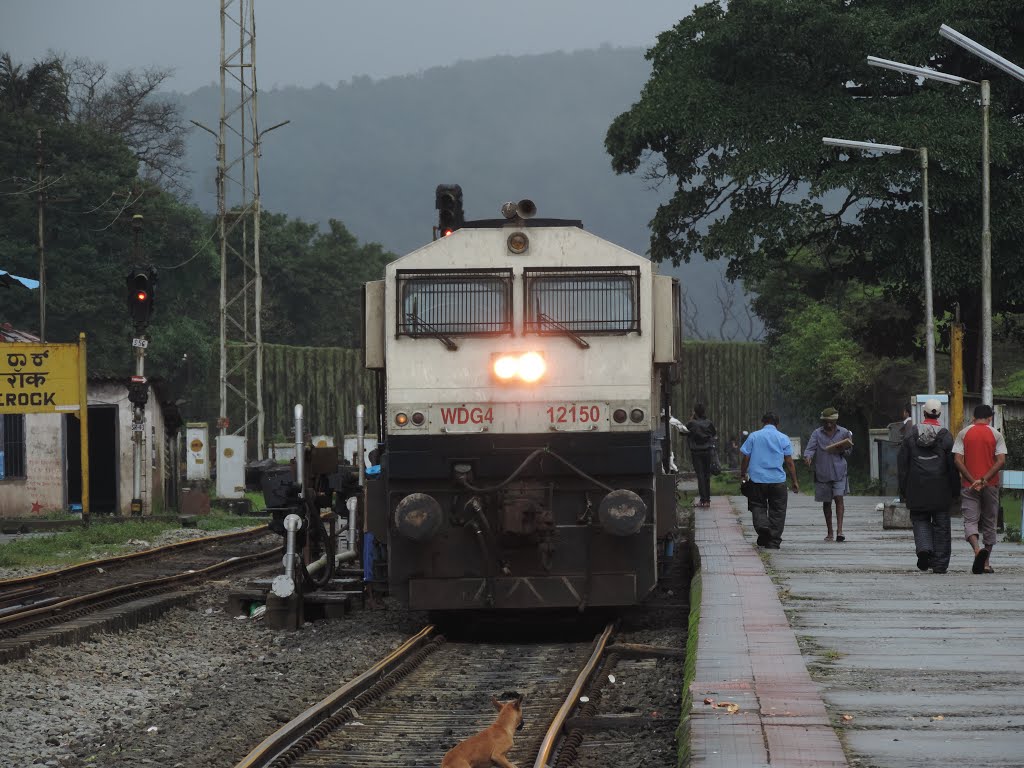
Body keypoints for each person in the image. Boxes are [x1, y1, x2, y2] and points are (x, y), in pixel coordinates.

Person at [897, 398, 959, 574]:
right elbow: (952, 466)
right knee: (942, 526)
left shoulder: (911, 434)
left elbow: (902, 464)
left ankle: (924, 549)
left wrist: (904, 489)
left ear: (923, 412)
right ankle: (939, 564)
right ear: (939, 414)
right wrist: (955, 490)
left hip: (917, 487)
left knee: (920, 520)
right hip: (941, 489)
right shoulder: (946, 436)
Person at [953, 404, 1008, 574]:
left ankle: (977, 551)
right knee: (990, 522)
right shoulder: (996, 434)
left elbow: (957, 460)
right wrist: (984, 480)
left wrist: (972, 480)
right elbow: (1000, 461)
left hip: (969, 486)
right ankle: (986, 562)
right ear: (990, 418)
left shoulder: (963, 433)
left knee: (970, 521)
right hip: (990, 485)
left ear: (974, 416)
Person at [739, 412, 800, 548]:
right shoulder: (783, 438)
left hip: (757, 480)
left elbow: (746, 458)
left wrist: (743, 474)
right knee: (778, 511)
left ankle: (763, 528)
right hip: (778, 481)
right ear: (777, 424)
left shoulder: (754, 436)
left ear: (763, 422)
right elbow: (789, 462)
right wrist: (794, 481)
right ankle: (773, 541)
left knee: (757, 506)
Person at [804, 407, 854, 542]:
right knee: (826, 502)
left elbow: (849, 452)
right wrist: (808, 457)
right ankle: (830, 532)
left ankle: (840, 531)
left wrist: (842, 449)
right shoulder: (817, 433)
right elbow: (810, 449)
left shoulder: (844, 433)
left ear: (836, 421)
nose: (828, 424)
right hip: (823, 472)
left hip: (839, 471)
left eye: (831, 422)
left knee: (839, 498)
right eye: (826, 422)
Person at [685, 403, 717, 507]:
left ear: (695, 412)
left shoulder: (691, 423)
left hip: (696, 452)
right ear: (704, 412)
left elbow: (683, 432)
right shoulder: (709, 422)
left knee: (700, 476)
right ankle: (707, 500)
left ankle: (703, 500)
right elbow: (713, 433)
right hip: (707, 451)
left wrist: (691, 419)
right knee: (707, 475)